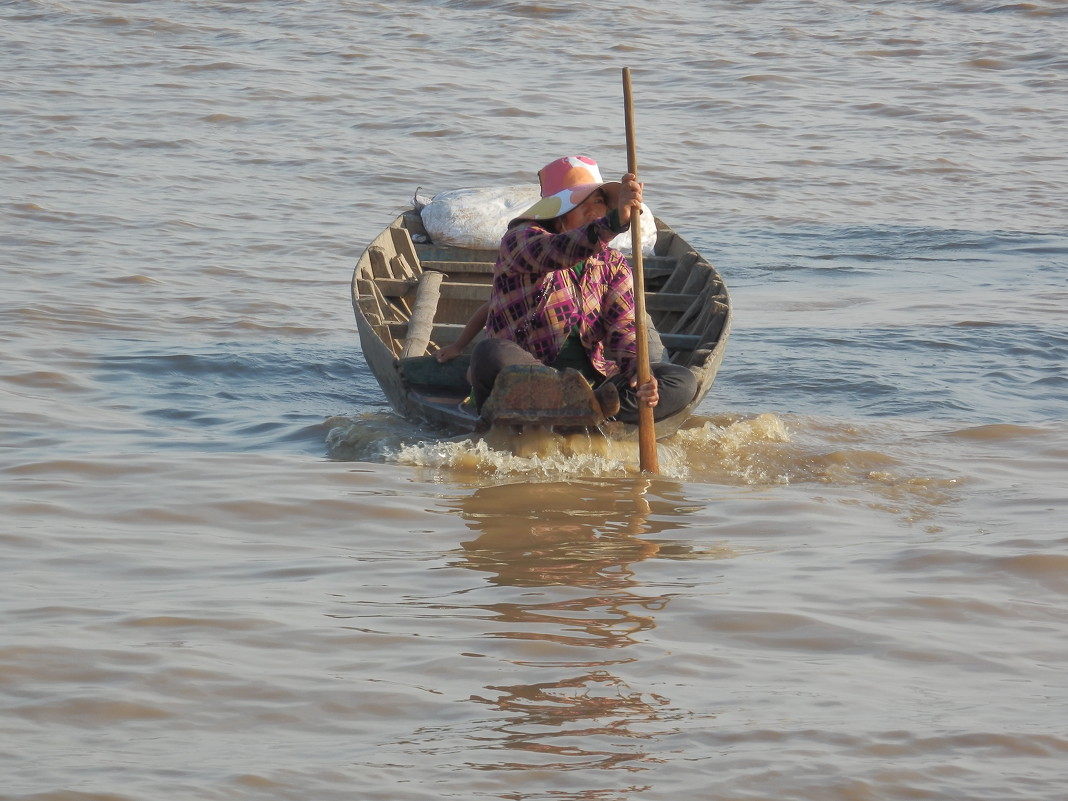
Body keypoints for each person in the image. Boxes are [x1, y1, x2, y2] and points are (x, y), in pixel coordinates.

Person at [447, 155, 698, 424]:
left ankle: (589, 410)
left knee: (681, 381)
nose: (593, 211)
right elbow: (557, 251)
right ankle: (580, 409)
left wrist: (639, 372)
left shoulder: (612, 264)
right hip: (524, 379)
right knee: (491, 353)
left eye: (599, 202)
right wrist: (612, 223)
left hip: (591, 383)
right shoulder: (521, 240)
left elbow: (623, 327)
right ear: (558, 212)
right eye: (581, 203)